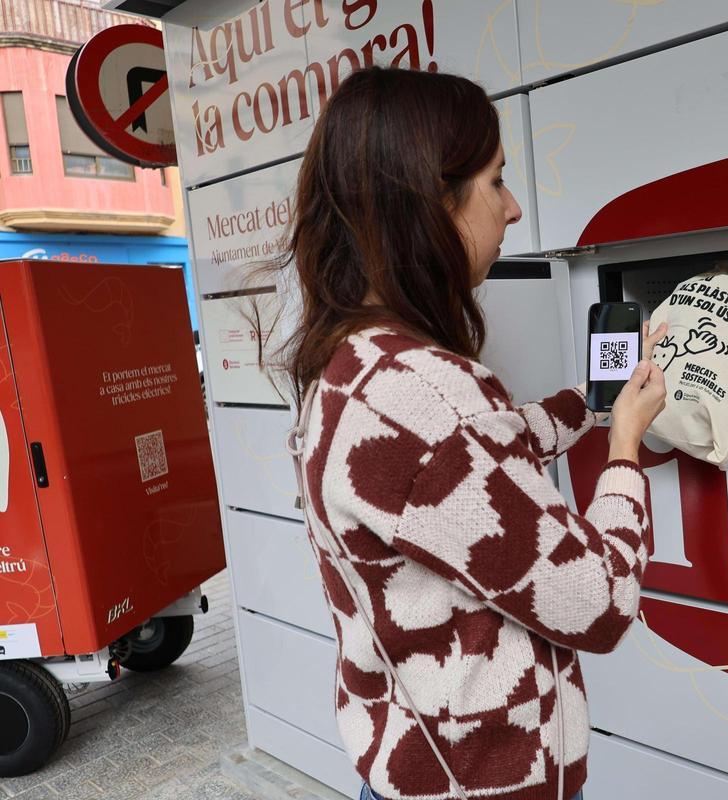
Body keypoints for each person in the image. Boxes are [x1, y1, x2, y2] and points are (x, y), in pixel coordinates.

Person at [277, 66, 667, 800]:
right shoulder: (426, 397)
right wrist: (626, 448)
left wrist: (591, 402)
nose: (515, 209)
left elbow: (474, 464)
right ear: (429, 203)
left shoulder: (356, 363)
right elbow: (600, 600)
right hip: (482, 784)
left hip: (417, 765)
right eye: (496, 181)